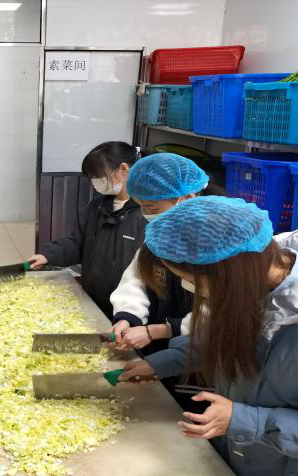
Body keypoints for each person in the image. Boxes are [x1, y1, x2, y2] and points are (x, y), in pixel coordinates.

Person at [119, 196, 298, 476]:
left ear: (227, 273)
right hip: (240, 455)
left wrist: (247, 421)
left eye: (192, 281)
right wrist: (159, 363)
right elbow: (221, 341)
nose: (190, 288)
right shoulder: (249, 282)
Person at [108, 153, 210, 355]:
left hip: (196, 350)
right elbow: (138, 276)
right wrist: (128, 316)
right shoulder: (160, 232)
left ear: (187, 197)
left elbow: (221, 311)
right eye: (143, 208)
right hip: (154, 342)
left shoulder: (216, 238)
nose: (146, 214)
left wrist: (162, 330)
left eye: (152, 208)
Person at [28, 141, 144, 319]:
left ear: (123, 169)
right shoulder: (97, 206)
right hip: (93, 299)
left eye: (99, 176)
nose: (95, 183)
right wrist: (48, 255)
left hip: (129, 311)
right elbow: (76, 242)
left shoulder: (146, 213)